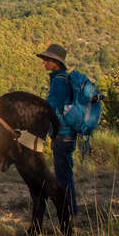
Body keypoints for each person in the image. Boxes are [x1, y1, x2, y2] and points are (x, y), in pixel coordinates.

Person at [36, 43, 78, 215]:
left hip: (63, 134)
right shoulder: (61, 79)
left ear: (56, 62)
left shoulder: (59, 82)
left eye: (47, 59)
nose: (44, 62)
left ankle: (68, 212)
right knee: (64, 173)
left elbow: (51, 107)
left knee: (63, 176)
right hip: (66, 133)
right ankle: (69, 210)